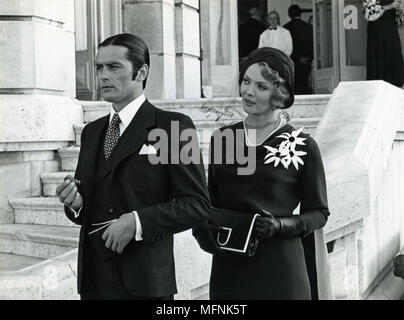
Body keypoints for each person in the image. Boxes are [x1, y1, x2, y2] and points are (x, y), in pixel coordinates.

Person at [56, 33, 210, 300]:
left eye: (114, 67)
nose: (103, 75)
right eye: (99, 67)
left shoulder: (173, 127)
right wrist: (77, 202)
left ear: (141, 72)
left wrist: (137, 222)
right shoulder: (91, 132)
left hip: (144, 283)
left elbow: (196, 205)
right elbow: (90, 205)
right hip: (94, 279)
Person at [193, 47, 333, 300]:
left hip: (281, 269)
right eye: (246, 81)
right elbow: (211, 201)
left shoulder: (302, 145)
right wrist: (200, 226)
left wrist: (280, 225)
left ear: (279, 94)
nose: (248, 91)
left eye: (261, 86)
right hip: (229, 266)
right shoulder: (223, 139)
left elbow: (319, 213)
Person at [364, 0, 404, 87]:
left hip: (391, 29)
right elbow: (368, 13)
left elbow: (400, 21)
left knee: (395, 63)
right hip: (377, 31)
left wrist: (399, 10)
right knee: (378, 65)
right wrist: (390, 6)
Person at [284, 5, 314, 94]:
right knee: (305, 84)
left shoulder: (286, 28)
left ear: (289, 14)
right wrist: (309, 58)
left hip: (293, 61)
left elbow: (287, 47)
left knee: (293, 86)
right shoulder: (309, 27)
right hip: (306, 61)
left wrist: (297, 58)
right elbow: (314, 45)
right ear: (300, 13)